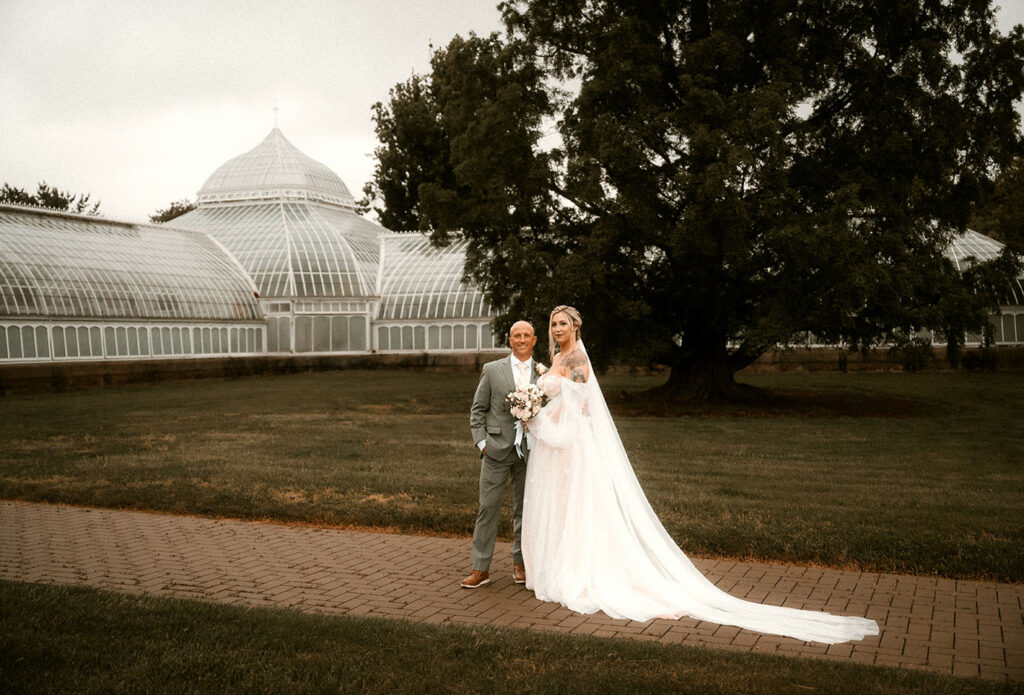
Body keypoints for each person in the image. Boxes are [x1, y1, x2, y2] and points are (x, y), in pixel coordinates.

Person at [521, 305, 879, 644]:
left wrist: (539, 416)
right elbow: (561, 401)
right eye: (553, 324)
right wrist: (536, 410)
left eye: (562, 324)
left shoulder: (579, 360)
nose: (557, 329)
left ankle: (583, 570)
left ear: (575, 328)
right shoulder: (556, 358)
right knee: (565, 505)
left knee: (582, 506)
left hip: (576, 444)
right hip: (561, 445)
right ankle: (560, 564)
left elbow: (582, 406)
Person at [462, 320, 539, 589]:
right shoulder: (492, 370)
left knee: (524, 510)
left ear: (534, 340)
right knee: (488, 508)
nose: (521, 339)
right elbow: (477, 410)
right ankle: (480, 568)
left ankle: (520, 564)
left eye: (526, 335)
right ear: (509, 340)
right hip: (495, 449)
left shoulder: (544, 374)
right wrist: (482, 443)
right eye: (516, 335)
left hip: (529, 453)